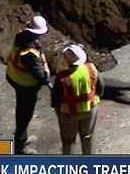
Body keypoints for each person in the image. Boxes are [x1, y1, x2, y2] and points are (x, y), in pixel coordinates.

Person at [6, 15, 52, 155]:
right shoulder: (29, 54)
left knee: (23, 113)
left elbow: (38, 47)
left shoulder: (22, 36)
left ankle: (22, 137)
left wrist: (44, 61)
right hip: (24, 84)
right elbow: (40, 75)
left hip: (13, 77)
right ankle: (20, 146)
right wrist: (48, 82)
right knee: (24, 114)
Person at [50, 44, 105, 155]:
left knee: (68, 141)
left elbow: (56, 98)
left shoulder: (62, 77)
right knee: (87, 137)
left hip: (68, 113)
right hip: (89, 109)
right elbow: (101, 87)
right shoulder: (91, 69)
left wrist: (56, 108)